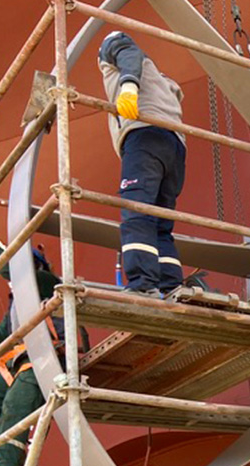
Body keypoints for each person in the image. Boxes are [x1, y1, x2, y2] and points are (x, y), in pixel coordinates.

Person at [0, 212, 84, 466]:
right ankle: (14, 456)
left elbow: (11, 272)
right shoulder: (17, 303)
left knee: (16, 404)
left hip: (47, 357)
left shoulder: (44, 281)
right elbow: (3, 335)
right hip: (21, 362)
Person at [97, 31, 186, 295]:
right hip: (175, 148)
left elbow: (127, 50)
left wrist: (128, 86)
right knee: (161, 223)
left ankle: (142, 284)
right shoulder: (163, 83)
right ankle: (171, 286)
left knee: (136, 211)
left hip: (144, 137)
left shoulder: (116, 50)